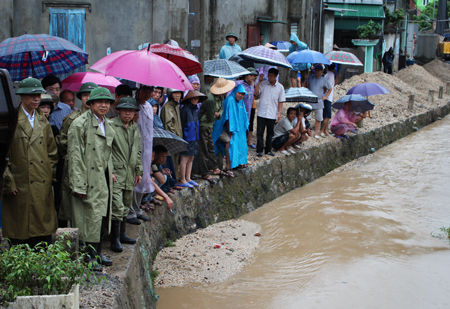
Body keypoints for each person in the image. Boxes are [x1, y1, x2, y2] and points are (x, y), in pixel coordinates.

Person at [2, 77, 58, 247]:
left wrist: (49, 175)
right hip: (19, 185)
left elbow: (52, 153)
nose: (36, 99)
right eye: (31, 95)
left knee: (42, 235)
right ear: (21, 96)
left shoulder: (43, 122)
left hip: (41, 185)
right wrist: (9, 182)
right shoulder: (11, 120)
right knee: (20, 233)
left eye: (38, 95)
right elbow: (3, 154)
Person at [68, 87, 115, 271]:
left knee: (101, 216)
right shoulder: (79, 124)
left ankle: (98, 252)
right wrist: (78, 184)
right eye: (99, 102)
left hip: (101, 176)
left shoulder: (107, 124)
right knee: (88, 217)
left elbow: (108, 152)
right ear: (91, 104)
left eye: (107, 102)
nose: (103, 105)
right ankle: (89, 256)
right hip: (87, 176)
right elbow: (74, 156)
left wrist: (110, 172)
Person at [57, 82, 98, 226]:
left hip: (94, 167)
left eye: (91, 95)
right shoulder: (72, 118)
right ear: (81, 97)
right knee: (69, 203)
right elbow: (62, 142)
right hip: (74, 166)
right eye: (85, 95)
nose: (88, 98)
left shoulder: (101, 120)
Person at [110, 97, 142, 253]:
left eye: (131, 111)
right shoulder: (110, 126)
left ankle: (122, 234)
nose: (128, 113)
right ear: (119, 111)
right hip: (117, 171)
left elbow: (138, 151)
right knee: (117, 205)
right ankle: (114, 238)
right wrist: (110, 171)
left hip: (129, 172)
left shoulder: (134, 127)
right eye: (125, 110)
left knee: (126, 203)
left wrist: (138, 170)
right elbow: (105, 150)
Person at [199, 78, 234, 183]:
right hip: (205, 125)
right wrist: (216, 115)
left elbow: (220, 112)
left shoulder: (220, 98)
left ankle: (214, 168)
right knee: (204, 149)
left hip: (210, 125)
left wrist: (217, 114)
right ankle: (204, 172)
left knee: (211, 148)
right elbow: (210, 116)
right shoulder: (210, 100)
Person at [126, 85, 153, 225]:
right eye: (145, 91)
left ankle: (137, 209)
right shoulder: (132, 105)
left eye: (150, 92)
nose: (147, 94)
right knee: (133, 179)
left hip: (147, 147)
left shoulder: (148, 106)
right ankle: (130, 212)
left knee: (143, 179)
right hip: (136, 147)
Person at [212, 84, 249, 177]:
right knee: (231, 142)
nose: (240, 95)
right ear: (235, 92)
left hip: (238, 128)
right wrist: (230, 131)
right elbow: (229, 119)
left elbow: (244, 115)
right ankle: (229, 165)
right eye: (239, 93)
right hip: (224, 128)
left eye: (242, 94)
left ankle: (240, 162)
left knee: (242, 142)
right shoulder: (230, 100)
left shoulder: (240, 102)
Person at [254, 68, 286, 157]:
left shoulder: (280, 87)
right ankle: (259, 150)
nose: (269, 77)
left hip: (272, 113)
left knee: (270, 133)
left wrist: (279, 113)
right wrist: (259, 81)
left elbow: (281, 101)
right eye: (268, 75)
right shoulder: (263, 84)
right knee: (260, 132)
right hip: (262, 112)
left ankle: (268, 149)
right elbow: (255, 93)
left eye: (271, 76)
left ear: (276, 76)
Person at [179, 90, 206, 188]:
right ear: (189, 99)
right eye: (193, 98)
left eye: (197, 98)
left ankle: (188, 177)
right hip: (187, 138)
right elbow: (181, 126)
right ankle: (182, 179)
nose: (195, 100)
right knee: (184, 158)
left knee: (191, 158)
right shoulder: (185, 110)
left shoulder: (194, 110)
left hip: (194, 137)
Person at [231, 67, 258, 148]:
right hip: (239, 111)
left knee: (245, 128)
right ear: (246, 76)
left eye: (254, 75)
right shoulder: (238, 84)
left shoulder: (251, 87)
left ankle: (242, 145)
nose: (252, 77)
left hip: (248, 112)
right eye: (251, 75)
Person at [160, 88, 184, 179]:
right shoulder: (167, 107)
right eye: (175, 93)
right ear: (170, 94)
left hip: (177, 138)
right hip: (171, 138)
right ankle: (171, 181)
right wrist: (176, 136)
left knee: (175, 160)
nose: (177, 95)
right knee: (170, 160)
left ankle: (175, 179)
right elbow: (169, 125)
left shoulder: (176, 106)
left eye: (179, 93)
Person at [307, 64, 332, 139]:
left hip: (319, 101)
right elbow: (305, 85)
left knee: (318, 118)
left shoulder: (324, 80)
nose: (316, 72)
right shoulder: (310, 78)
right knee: (307, 117)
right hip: (310, 100)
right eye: (316, 70)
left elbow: (330, 88)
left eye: (318, 70)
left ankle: (316, 133)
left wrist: (326, 96)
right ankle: (307, 131)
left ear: (322, 71)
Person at [321, 63, 336, 137]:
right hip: (328, 98)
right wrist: (326, 96)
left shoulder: (326, 75)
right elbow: (329, 86)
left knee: (326, 116)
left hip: (327, 97)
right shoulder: (331, 75)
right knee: (327, 116)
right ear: (334, 68)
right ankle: (323, 131)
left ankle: (326, 131)